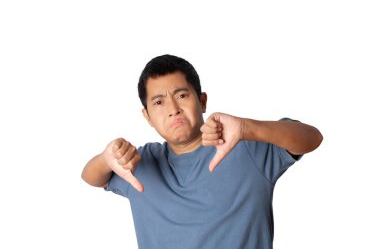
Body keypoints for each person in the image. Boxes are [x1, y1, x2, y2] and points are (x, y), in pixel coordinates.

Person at [81, 54, 323, 249]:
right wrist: (106, 158)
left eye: (182, 95)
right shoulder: (140, 163)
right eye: (158, 102)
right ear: (147, 117)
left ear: (202, 101)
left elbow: (312, 137)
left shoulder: (243, 145)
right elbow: (91, 177)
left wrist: (248, 128)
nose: (173, 109)